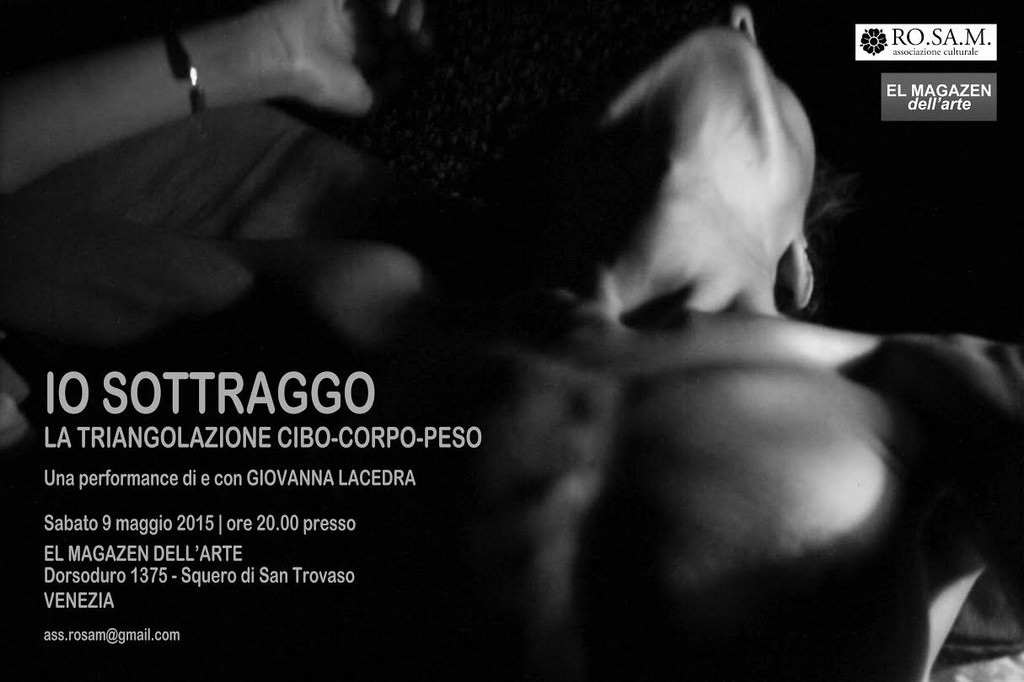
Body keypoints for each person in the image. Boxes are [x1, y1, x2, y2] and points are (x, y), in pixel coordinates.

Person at [0, 2, 1021, 680]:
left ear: (799, 271)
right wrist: (249, 53)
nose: (732, 28)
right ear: (547, 175)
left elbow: (964, 62)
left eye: (753, 50)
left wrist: (883, 52)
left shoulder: (917, 387)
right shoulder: (376, 310)